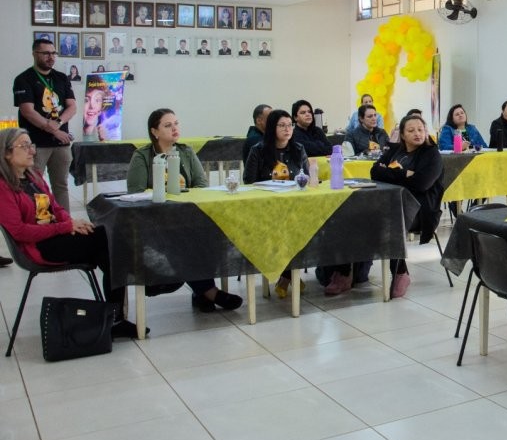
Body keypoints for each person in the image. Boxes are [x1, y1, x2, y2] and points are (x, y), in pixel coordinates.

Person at [0, 128, 140, 335]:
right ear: (6, 153)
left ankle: (114, 316)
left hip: (55, 235)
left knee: (108, 239)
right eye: (24, 146)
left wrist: (73, 222)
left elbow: (55, 208)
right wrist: (65, 227)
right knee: (108, 242)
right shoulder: (3, 187)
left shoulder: (34, 176)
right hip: (38, 247)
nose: (31, 151)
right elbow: (20, 232)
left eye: (32, 145)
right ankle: (115, 315)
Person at [126, 109, 243, 312]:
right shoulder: (142, 156)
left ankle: (202, 292)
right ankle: (209, 292)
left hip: (187, 217)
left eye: (176, 124)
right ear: (154, 131)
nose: (175, 129)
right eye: (168, 125)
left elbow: (201, 184)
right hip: (156, 221)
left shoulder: (186, 152)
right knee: (185, 241)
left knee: (211, 235)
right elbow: (135, 192)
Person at [370, 114, 444, 298]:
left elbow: (422, 184)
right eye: (411, 130)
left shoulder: (432, 154)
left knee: (389, 220)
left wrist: (392, 172)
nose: (417, 134)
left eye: (420, 129)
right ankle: (349, 271)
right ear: (402, 135)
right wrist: (405, 174)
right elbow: (375, 171)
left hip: (421, 210)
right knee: (361, 215)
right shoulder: (396, 150)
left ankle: (400, 272)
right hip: (392, 205)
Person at [243, 110, 309, 298]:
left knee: (303, 226)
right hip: (266, 209)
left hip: (296, 207)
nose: (288, 129)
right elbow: (248, 180)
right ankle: (289, 275)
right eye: (282, 125)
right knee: (282, 229)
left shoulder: (298, 149)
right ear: (272, 128)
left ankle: (287, 276)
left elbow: (306, 177)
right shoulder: (258, 150)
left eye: (290, 125)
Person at [12, 39, 76, 212]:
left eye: (53, 53)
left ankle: (66, 224)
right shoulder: (24, 79)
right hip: (35, 145)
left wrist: (60, 124)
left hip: (61, 143)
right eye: (46, 53)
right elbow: (28, 111)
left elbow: (72, 106)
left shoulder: (61, 78)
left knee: (61, 185)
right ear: (35, 54)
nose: (51, 57)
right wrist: (54, 129)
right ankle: (42, 223)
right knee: (35, 186)